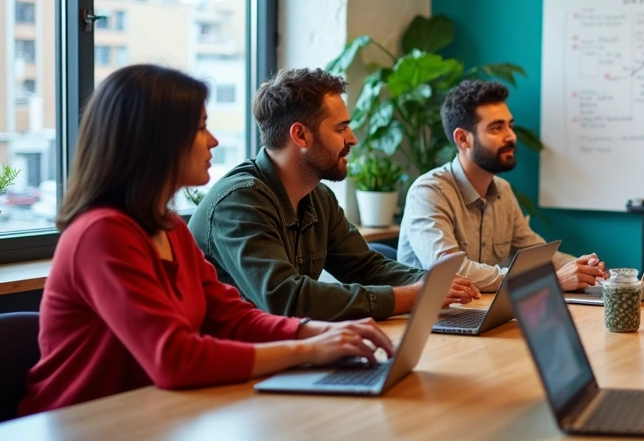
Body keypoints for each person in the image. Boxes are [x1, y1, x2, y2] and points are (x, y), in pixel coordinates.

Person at [19, 65, 398, 416]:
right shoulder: (101, 234)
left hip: (151, 418)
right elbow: (174, 358)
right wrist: (309, 349)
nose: (214, 141)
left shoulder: (169, 227)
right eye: (200, 127)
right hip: (78, 434)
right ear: (155, 141)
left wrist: (317, 331)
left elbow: (230, 317)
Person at [190, 68, 480, 321]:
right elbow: (286, 299)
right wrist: (412, 296)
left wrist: (435, 283)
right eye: (341, 128)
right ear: (300, 135)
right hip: (221, 368)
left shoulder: (318, 197)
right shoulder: (239, 202)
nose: (352, 138)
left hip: (280, 348)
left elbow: (365, 266)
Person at [397, 80, 607, 292]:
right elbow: (451, 272)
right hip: (435, 320)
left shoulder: (502, 190)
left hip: (483, 313)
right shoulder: (428, 193)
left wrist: (583, 269)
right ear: (462, 139)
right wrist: (551, 279)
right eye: (497, 128)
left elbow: (537, 254)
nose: (511, 136)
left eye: (510, 126)